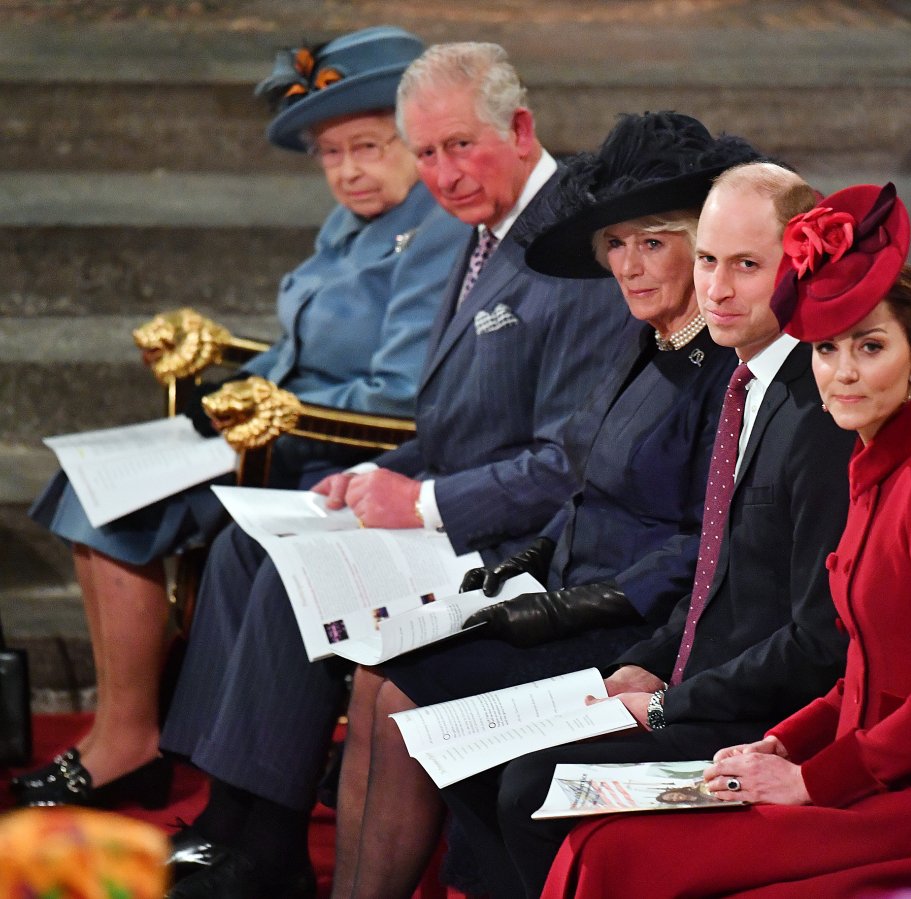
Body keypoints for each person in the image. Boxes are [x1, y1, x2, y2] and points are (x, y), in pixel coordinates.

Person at [158, 42, 630, 899]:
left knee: (290, 575)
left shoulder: (573, 246)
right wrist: (375, 473)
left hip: (528, 542)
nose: (442, 174)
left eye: (460, 146)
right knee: (246, 544)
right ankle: (231, 816)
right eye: (425, 152)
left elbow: (572, 460)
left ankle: (263, 842)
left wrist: (424, 499)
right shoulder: (479, 225)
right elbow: (454, 420)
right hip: (458, 501)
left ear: (520, 129)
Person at [13, 26, 468, 808]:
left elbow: (400, 394)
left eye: (368, 144)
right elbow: (297, 351)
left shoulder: (437, 228)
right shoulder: (351, 223)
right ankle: (120, 729)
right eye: (332, 154)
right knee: (87, 485)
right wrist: (227, 382)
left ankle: (130, 741)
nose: (350, 170)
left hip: (340, 449)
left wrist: (266, 410)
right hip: (284, 426)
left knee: (112, 506)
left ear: (415, 137)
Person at [540, 183, 911, 899]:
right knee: (598, 834)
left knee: (616, 852)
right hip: (848, 764)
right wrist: (784, 740)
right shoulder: (875, 465)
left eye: (871, 346)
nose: (845, 371)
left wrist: (808, 775)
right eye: (827, 349)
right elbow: (861, 670)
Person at [331, 110, 761, 899]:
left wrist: (565, 607)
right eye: (616, 245)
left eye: (653, 243)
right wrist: (523, 568)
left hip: (631, 626)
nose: (629, 266)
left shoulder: (721, 369)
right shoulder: (645, 339)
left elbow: (703, 546)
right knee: (373, 669)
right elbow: (585, 482)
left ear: (701, 248)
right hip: (565, 598)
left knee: (398, 696)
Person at [443, 161, 855, 898]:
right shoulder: (746, 381)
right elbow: (715, 576)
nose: (717, 290)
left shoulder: (819, 411)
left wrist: (670, 701)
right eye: (707, 261)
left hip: (759, 724)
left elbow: (818, 639)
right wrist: (645, 661)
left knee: (528, 788)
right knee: (468, 756)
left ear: (798, 268)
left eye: (747, 266)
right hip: (692, 683)